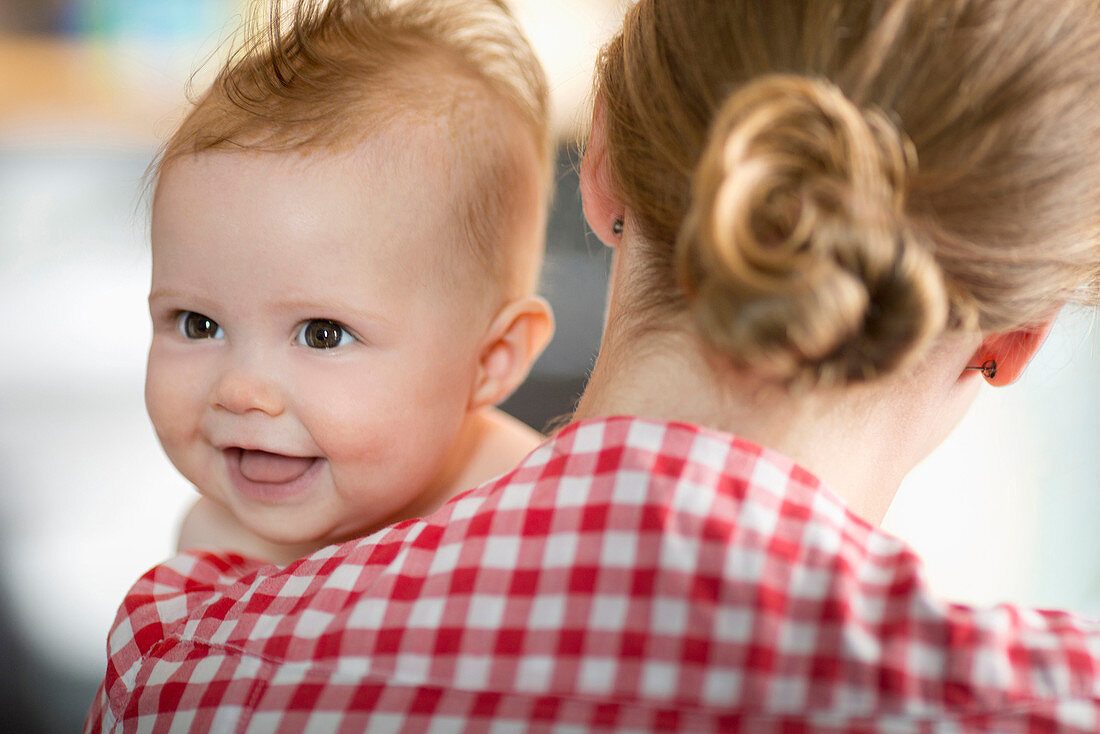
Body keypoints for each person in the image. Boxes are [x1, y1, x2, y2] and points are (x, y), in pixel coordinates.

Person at [87, 0, 1100, 731]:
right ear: (1017, 331)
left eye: (318, 330)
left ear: (600, 153)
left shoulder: (188, 654)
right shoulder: (1052, 700)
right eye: (194, 322)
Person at [142, 0, 555, 566]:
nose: (240, 390)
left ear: (491, 358)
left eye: (322, 334)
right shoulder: (215, 550)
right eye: (199, 324)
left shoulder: (531, 515)